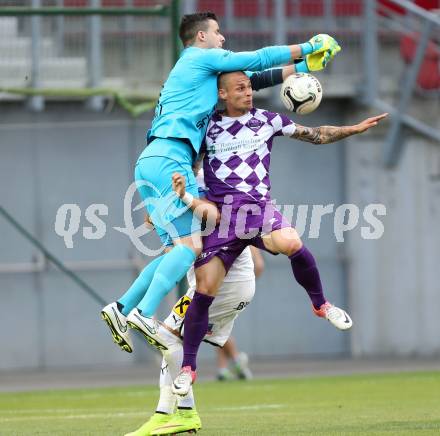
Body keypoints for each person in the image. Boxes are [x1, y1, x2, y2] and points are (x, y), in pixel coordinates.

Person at [101, 11, 341, 348]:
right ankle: (145, 313)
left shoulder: (197, 77)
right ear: (201, 37)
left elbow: (249, 81)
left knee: (176, 248)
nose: (222, 38)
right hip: (173, 158)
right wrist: (307, 47)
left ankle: (122, 307)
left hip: (154, 159)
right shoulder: (200, 59)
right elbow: (257, 59)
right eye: (217, 32)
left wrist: (302, 69)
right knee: (191, 248)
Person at [171, 70, 389, 395]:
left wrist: (353, 129)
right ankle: (189, 367)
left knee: (291, 242)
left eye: (249, 87)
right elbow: (186, 163)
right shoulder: (207, 127)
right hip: (224, 217)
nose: (248, 93)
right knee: (204, 290)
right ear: (222, 94)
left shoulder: (268, 120)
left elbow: (316, 134)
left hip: (258, 210)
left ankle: (321, 304)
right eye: (240, 89)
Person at [124, 173, 257, 436]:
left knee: (167, 338)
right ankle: (166, 415)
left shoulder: (206, 179)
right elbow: (171, 247)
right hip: (216, 284)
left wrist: (179, 201)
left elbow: (215, 217)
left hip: (225, 284)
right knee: (169, 341)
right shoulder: (183, 180)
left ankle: (183, 414)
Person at [216, 246, 264, 382]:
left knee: (215, 326)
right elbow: (259, 265)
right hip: (231, 287)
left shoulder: (240, 233)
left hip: (229, 287)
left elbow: (259, 265)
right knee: (218, 326)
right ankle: (227, 366)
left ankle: (234, 361)